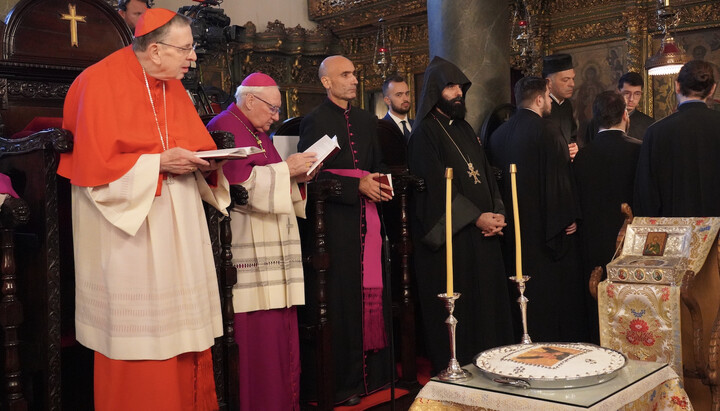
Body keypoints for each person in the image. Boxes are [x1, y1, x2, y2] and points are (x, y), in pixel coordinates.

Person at [58, 9, 228, 411]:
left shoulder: (172, 84)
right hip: (128, 233)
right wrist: (158, 163)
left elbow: (195, 145)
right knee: (140, 338)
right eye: (186, 49)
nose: (192, 58)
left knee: (182, 330)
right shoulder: (96, 83)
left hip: (177, 223)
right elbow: (96, 175)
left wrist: (211, 162)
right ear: (155, 50)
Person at [206, 73, 318, 411]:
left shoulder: (257, 132)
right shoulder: (224, 126)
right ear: (250, 100)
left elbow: (271, 178)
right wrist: (288, 170)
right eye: (272, 109)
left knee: (281, 335)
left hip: (273, 246)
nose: (275, 117)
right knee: (258, 341)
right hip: (245, 250)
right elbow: (237, 188)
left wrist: (297, 176)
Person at [407, 56, 513, 374]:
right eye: (451, 87)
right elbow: (438, 189)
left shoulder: (465, 129)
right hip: (456, 239)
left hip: (484, 236)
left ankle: (494, 363)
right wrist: (476, 218)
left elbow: (486, 174)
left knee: (489, 308)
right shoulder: (424, 134)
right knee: (465, 311)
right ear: (436, 91)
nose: (458, 93)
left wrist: (497, 213)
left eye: (460, 87)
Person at [297, 55, 393, 405]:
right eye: (346, 74)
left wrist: (380, 183)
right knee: (342, 303)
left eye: (355, 73)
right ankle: (346, 384)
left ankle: (376, 377)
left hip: (369, 221)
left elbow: (378, 165)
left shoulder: (368, 120)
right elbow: (309, 176)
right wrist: (356, 187)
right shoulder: (315, 121)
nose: (354, 80)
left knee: (373, 294)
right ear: (326, 82)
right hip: (335, 226)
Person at [487, 76, 588, 343]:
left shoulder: (497, 135)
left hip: (511, 232)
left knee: (519, 294)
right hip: (545, 232)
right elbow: (559, 180)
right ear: (541, 98)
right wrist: (569, 217)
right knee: (547, 300)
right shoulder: (548, 130)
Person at [573, 90, 641, 343]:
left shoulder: (582, 156)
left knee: (598, 313)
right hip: (631, 246)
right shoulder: (639, 150)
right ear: (625, 115)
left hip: (591, 247)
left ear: (595, 118)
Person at [634, 60, 720, 217]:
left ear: (677, 86)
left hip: (674, 234)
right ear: (712, 89)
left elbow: (647, 195)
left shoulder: (656, 132)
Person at [583, 72, 655, 142]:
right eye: (627, 93)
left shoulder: (649, 124)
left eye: (637, 94)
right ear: (618, 91)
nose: (631, 99)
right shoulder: (598, 121)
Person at [543, 53, 579, 159]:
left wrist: (574, 147)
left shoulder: (567, 104)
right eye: (565, 80)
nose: (572, 84)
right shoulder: (541, 107)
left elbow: (572, 135)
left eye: (573, 78)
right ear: (549, 82)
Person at [381, 74, 413, 142]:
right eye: (399, 95)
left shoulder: (417, 125)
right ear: (387, 100)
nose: (405, 99)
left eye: (407, 94)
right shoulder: (381, 128)